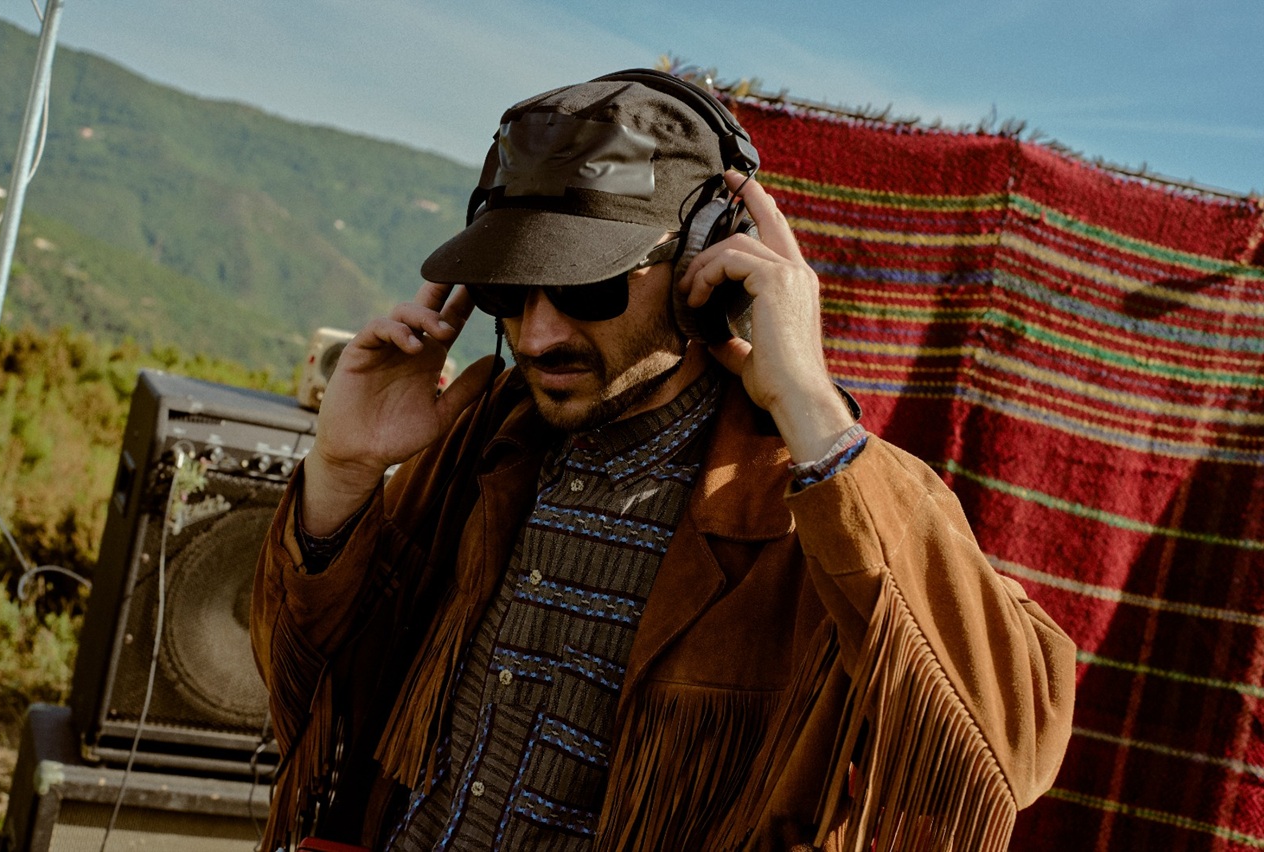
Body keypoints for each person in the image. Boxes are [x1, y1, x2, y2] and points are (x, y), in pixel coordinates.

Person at [252, 70, 1075, 852]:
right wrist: (344, 473)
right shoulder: (484, 442)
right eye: (509, 291)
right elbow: (314, 686)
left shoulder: (816, 501)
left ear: (702, 263)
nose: (537, 335)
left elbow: (1012, 751)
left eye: (588, 288)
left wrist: (812, 409)